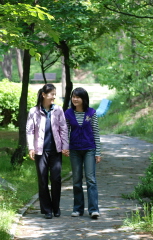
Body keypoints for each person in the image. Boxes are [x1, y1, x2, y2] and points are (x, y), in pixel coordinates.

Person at [26, 84, 69, 219]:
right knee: (43, 180)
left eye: (55, 94)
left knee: (56, 179)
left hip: (55, 150)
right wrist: (31, 147)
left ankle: (56, 208)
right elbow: (30, 130)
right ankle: (47, 210)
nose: (54, 97)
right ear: (44, 95)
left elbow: (63, 129)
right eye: (52, 94)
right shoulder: (34, 111)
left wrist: (65, 146)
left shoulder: (58, 110)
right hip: (40, 150)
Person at [64, 87, 101, 219]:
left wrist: (98, 152)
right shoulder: (68, 113)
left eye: (77, 97)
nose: (75, 99)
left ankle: (93, 209)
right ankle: (78, 209)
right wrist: (65, 147)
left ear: (83, 99)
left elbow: (96, 132)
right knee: (76, 180)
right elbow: (65, 132)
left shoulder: (91, 113)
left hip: (89, 149)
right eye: (73, 96)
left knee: (91, 179)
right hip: (74, 150)